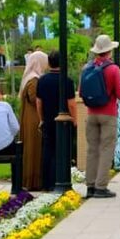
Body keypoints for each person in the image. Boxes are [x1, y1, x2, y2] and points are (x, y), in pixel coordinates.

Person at [82, 34, 120, 198]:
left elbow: (82, 89)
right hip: (108, 114)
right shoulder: (113, 69)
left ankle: (90, 186)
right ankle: (101, 186)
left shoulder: (87, 68)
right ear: (109, 51)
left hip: (91, 113)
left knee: (92, 150)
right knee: (106, 149)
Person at [36, 50, 77, 191]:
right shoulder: (67, 81)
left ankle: (47, 183)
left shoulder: (42, 80)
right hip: (64, 122)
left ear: (49, 63)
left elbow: (39, 102)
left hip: (47, 119)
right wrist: (75, 119)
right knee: (63, 151)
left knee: (48, 150)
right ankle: (61, 180)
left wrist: (41, 119)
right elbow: (71, 103)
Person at [19, 50, 48, 191]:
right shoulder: (34, 80)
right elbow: (34, 98)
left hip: (29, 118)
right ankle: (34, 181)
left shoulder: (29, 78)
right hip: (34, 119)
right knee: (34, 149)